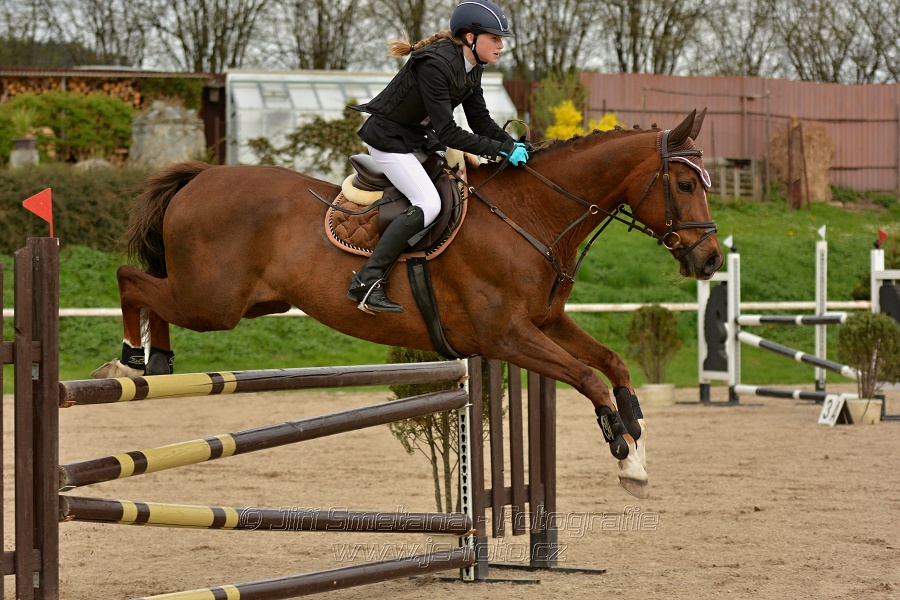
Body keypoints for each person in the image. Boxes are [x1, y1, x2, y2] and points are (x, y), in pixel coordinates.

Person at [347, 0, 530, 314]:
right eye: (495, 38)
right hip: (389, 140)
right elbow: (448, 132)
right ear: (470, 37)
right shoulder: (436, 64)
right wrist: (501, 149)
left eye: (502, 40)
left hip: (417, 139)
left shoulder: (472, 67)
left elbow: (481, 122)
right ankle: (366, 283)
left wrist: (515, 145)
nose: (501, 45)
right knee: (428, 203)